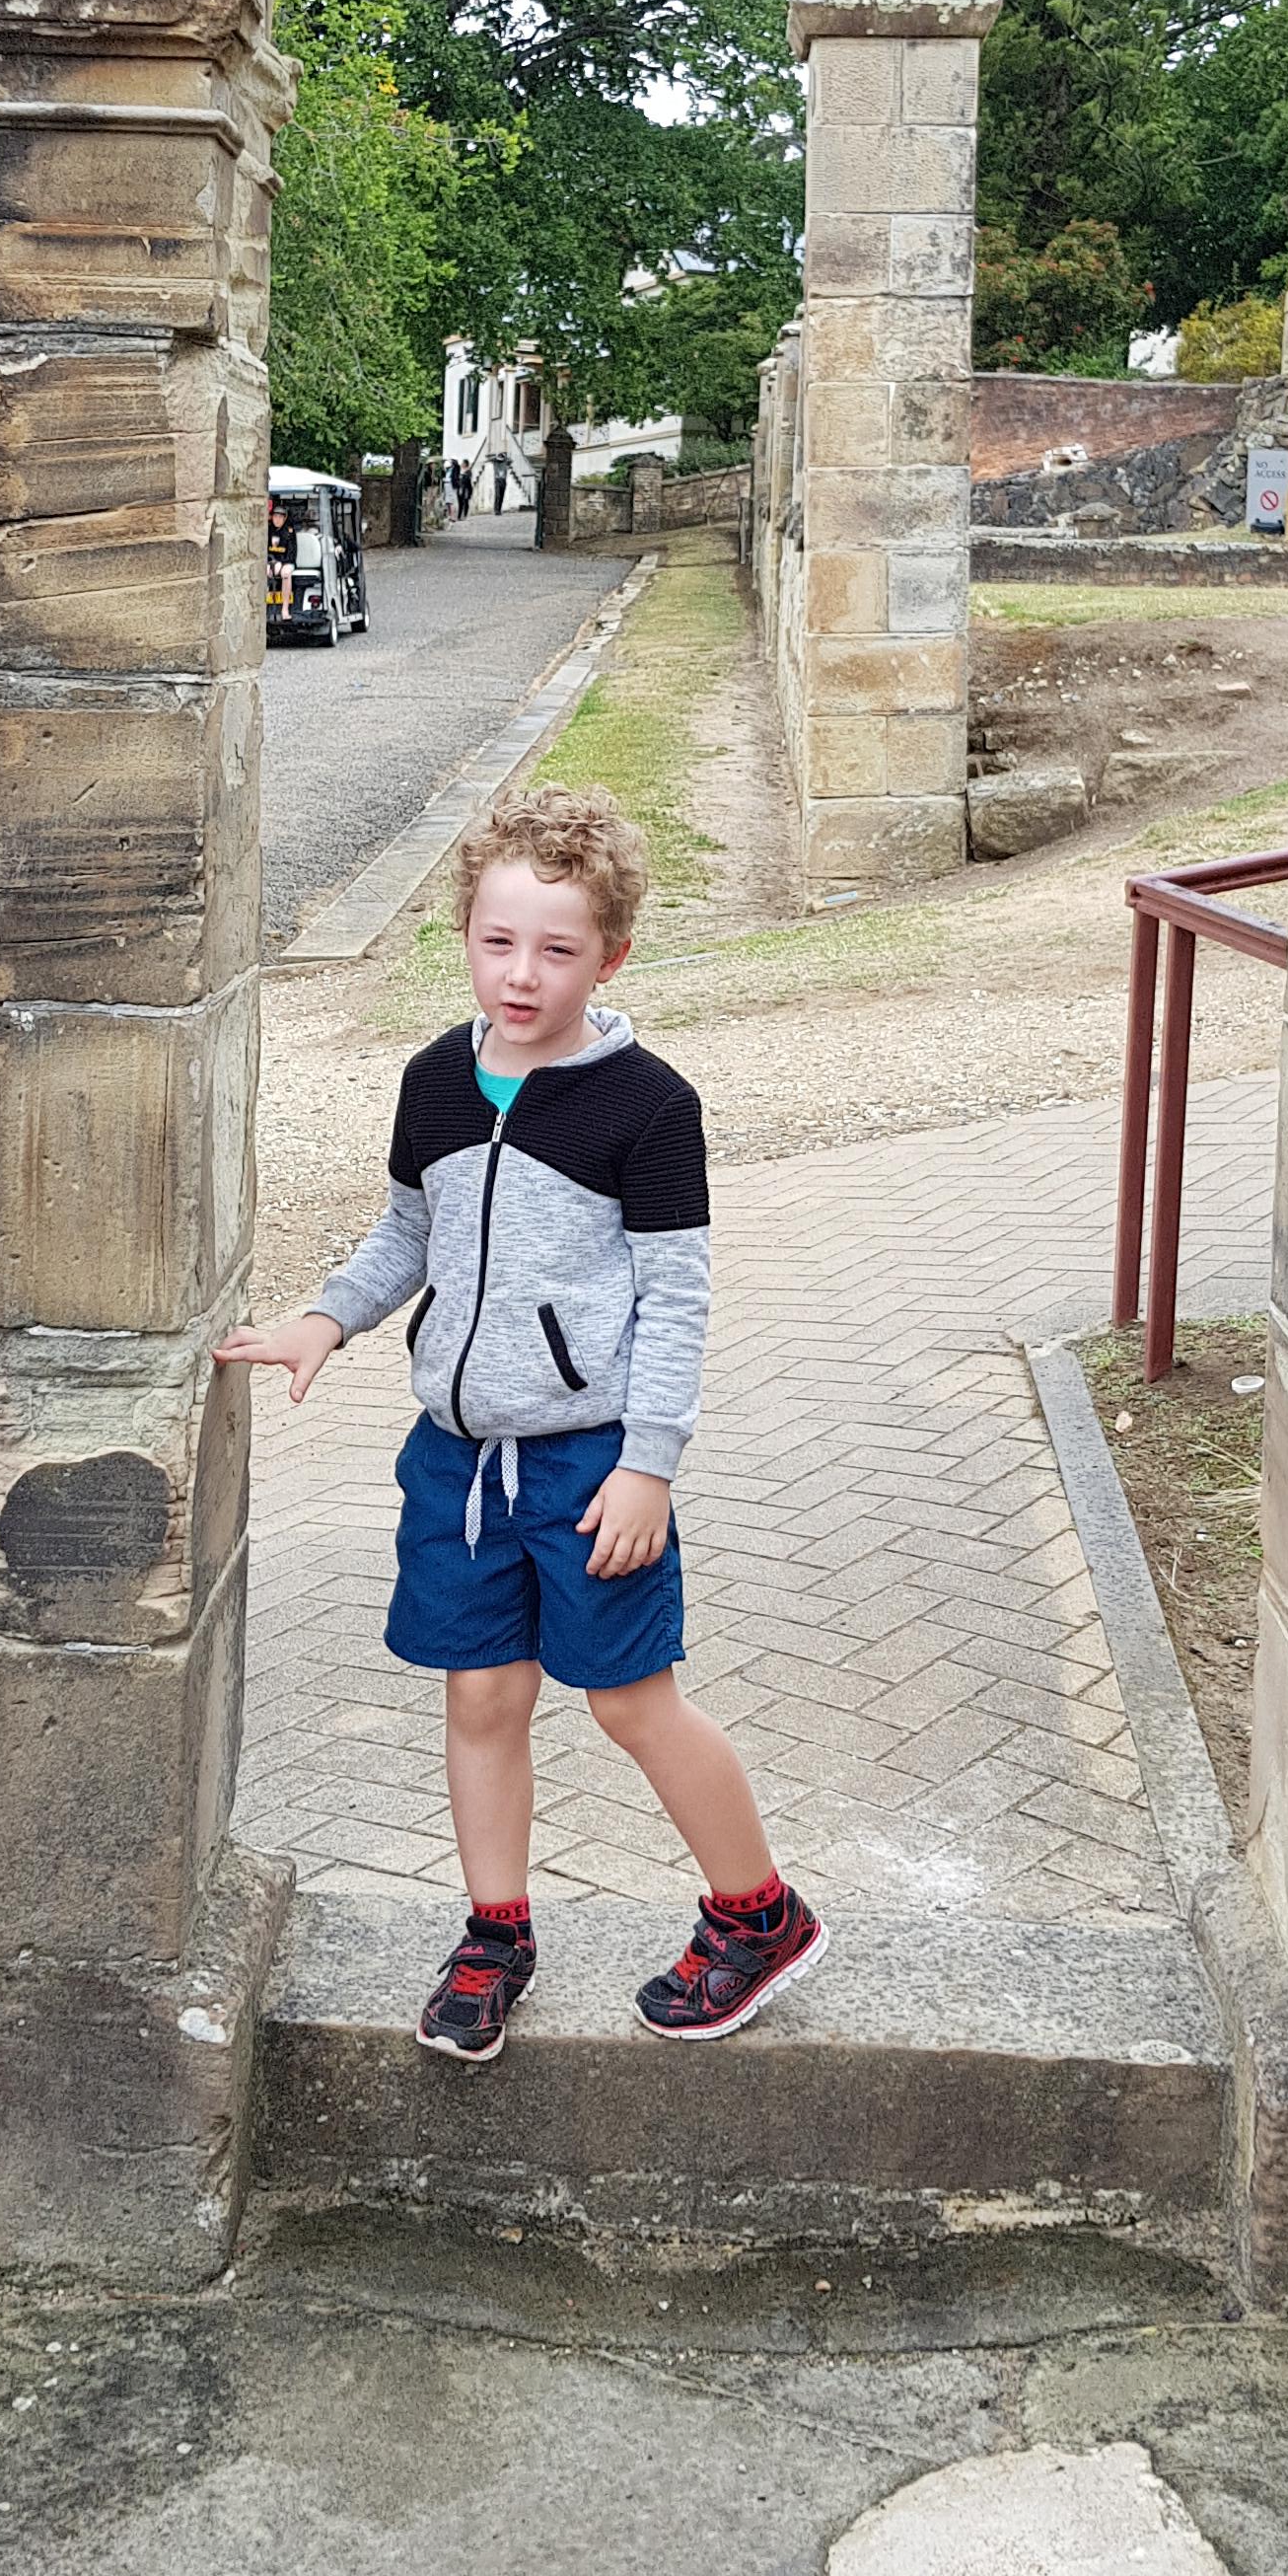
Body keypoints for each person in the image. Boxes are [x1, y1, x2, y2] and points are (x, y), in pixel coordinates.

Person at [213, 781, 825, 2061]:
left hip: (595, 1467)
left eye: (556, 949)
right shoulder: (438, 1079)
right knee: (483, 1695)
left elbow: (676, 1297)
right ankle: (496, 1934)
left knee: (631, 1704)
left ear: (612, 956)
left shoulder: (647, 1104)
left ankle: (758, 1914)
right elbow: (408, 1232)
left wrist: (650, 1465)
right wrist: (327, 1319)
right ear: (466, 937)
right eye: (498, 942)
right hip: (457, 1462)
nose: (522, 974)